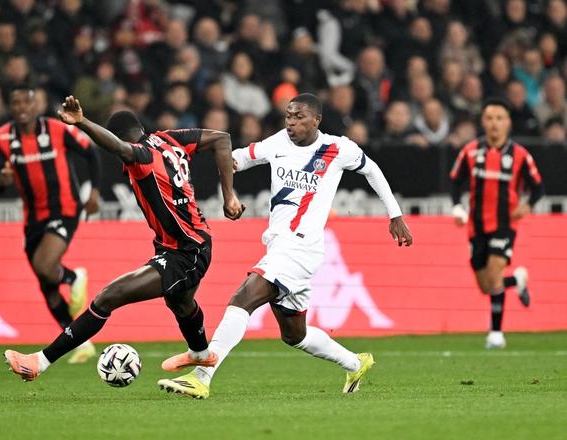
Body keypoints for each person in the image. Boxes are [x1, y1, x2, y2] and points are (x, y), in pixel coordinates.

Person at [158, 93, 413, 399]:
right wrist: (222, 182)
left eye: (299, 117)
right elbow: (235, 158)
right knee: (295, 335)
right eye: (288, 116)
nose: (291, 122)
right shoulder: (277, 142)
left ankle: (201, 377)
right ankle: (356, 363)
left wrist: (395, 215)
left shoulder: (338, 148)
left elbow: (372, 170)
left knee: (242, 298)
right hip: (281, 247)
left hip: (301, 248)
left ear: (316, 120)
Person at [3, 95, 245, 381]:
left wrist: (82, 123)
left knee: (108, 297)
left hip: (186, 251)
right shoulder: (169, 140)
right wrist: (229, 196)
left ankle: (39, 362)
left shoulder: (140, 155)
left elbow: (118, 147)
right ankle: (201, 353)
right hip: (183, 245)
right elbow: (222, 139)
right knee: (180, 302)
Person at [0, 86, 101, 364]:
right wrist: (2, 181)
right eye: (15, 103)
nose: (21, 107)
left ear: (35, 105)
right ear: (11, 107)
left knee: (44, 265)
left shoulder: (57, 129)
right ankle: (81, 341)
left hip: (65, 209)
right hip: (33, 219)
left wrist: (95, 192)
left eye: (26, 102)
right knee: (47, 288)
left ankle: (73, 278)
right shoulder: (1, 138)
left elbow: (91, 153)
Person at [448, 98, 544, 349]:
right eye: (490, 118)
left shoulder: (520, 155)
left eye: (500, 118)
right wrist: (457, 207)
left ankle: (496, 333)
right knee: (485, 286)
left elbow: (538, 188)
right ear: (483, 122)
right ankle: (518, 280)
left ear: (508, 122)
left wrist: (528, 205)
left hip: (505, 224)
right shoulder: (470, 151)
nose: (494, 124)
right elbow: (455, 181)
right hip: (477, 226)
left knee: (493, 273)